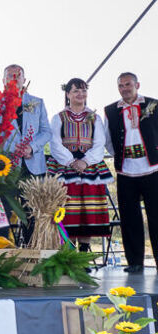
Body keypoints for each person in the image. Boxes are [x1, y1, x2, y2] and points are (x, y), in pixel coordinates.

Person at [46, 78, 112, 250]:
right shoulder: (59, 117)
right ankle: (69, 253)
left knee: (87, 210)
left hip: (89, 166)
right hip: (65, 165)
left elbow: (99, 143)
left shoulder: (94, 118)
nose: (80, 94)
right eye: (76, 91)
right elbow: (55, 142)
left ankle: (84, 254)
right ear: (68, 94)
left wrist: (86, 161)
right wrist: (71, 161)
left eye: (83, 90)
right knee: (67, 210)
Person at [104, 72, 158, 274]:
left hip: (153, 169)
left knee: (156, 217)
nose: (124, 88)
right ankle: (134, 262)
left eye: (128, 84)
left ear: (137, 85)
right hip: (126, 170)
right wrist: (121, 156)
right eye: (121, 85)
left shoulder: (154, 104)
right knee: (129, 218)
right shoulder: (110, 110)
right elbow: (108, 140)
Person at [0, 64, 51, 244]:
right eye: (10, 75)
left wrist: (32, 147)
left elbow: (46, 132)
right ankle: (1, 251)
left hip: (32, 166)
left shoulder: (36, 102)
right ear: (3, 80)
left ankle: (31, 252)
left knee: (32, 212)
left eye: (18, 75)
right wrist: (11, 150)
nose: (14, 78)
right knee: (3, 210)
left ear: (24, 79)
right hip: (5, 167)